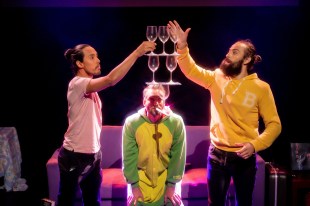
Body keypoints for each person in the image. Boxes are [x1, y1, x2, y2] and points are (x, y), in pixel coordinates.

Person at [167, 20, 282, 206]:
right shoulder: (218, 77)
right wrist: (182, 46)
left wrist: (255, 145)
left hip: (243, 158)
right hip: (216, 155)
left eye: (234, 52)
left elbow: (275, 125)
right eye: (228, 51)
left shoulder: (261, 88)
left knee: (243, 203)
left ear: (246, 60)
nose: (228, 54)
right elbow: (191, 70)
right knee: (215, 203)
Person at [57, 41, 156, 206]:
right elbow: (111, 80)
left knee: (93, 202)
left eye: (97, 56)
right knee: (67, 201)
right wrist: (137, 52)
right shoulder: (77, 84)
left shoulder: (90, 89)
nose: (98, 60)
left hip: (94, 155)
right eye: (92, 57)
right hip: (74, 156)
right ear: (79, 63)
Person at [122, 84, 186, 206]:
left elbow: (178, 157)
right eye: (151, 99)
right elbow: (129, 157)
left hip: (167, 178)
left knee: (175, 203)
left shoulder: (176, 122)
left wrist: (172, 185)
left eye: (159, 99)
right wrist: (134, 186)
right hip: (140, 179)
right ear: (144, 101)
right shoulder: (132, 123)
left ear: (164, 101)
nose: (155, 103)